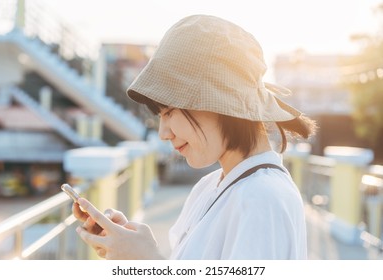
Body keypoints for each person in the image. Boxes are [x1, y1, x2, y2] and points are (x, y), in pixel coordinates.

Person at [73, 14, 317, 260]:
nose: (163, 133)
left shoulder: (263, 200)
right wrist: (130, 249)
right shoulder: (211, 187)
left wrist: (147, 262)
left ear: (220, 102)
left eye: (169, 112)